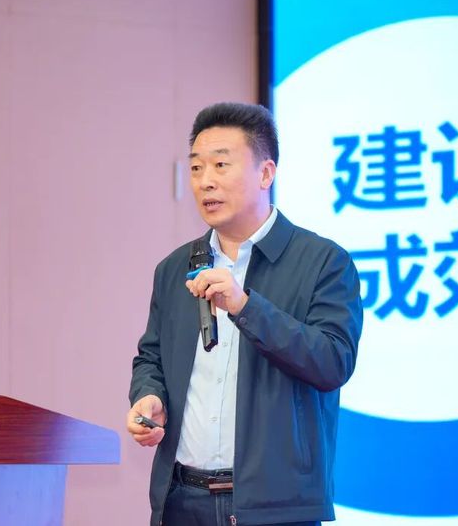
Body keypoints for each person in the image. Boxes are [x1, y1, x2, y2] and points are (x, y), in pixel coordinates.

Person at [127, 102, 363, 526]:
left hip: (275, 508)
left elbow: (333, 361)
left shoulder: (324, 262)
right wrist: (149, 396)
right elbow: (151, 358)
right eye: (196, 168)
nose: (205, 181)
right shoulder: (175, 268)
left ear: (266, 173)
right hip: (182, 501)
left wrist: (245, 306)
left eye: (221, 165)